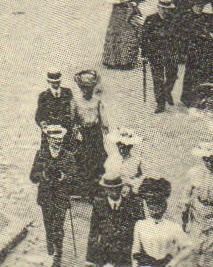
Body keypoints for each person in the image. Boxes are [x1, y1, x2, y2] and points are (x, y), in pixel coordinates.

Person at [34, 123, 80, 265]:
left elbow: (76, 178)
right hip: (46, 195)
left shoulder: (68, 156)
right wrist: (43, 174)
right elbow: (32, 176)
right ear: (48, 139)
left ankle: (57, 254)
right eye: (54, 139)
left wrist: (65, 177)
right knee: (49, 224)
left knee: (58, 226)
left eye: (60, 139)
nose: (57, 142)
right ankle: (51, 245)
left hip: (61, 195)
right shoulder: (41, 154)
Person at [90, 175, 146, 267]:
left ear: (121, 188)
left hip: (125, 256)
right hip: (105, 256)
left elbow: (141, 232)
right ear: (105, 190)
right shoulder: (99, 205)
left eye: (117, 188)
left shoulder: (131, 206)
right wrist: (90, 260)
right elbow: (93, 233)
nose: (114, 192)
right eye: (110, 189)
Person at [178, 2, 213, 109]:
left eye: (201, 5)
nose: (199, 7)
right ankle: (191, 99)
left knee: (211, 72)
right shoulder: (186, 18)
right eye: (197, 5)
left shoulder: (207, 16)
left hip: (208, 49)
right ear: (192, 6)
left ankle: (211, 97)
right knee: (193, 74)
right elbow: (182, 35)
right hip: (193, 50)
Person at [142, 0, 184, 114]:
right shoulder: (150, 20)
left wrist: (180, 52)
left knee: (172, 75)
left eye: (168, 9)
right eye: (163, 8)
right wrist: (144, 53)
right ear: (158, 8)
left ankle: (167, 92)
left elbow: (179, 37)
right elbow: (144, 38)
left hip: (170, 53)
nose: (166, 11)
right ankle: (160, 103)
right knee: (158, 79)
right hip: (155, 54)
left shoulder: (174, 20)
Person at [103, 0, 147, 69]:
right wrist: (120, 0)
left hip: (132, 10)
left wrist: (136, 0)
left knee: (132, 34)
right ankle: (114, 61)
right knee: (117, 35)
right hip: (119, 11)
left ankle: (129, 60)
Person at [133, 179, 188, 267]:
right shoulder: (140, 225)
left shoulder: (173, 226)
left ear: (164, 205)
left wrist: (173, 262)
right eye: (151, 204)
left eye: (158, 204)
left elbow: (188, 247)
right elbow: (135, 252)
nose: (155, 208)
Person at [72, 69, 109, 191]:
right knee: (83, 157)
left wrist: (105, 127)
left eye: (89, 88)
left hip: (95, 133)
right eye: (83, 88)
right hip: (83, 133)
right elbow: (72, 119)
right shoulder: (76, 101)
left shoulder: (97, 101)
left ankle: (97, 183)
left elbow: (103, 118)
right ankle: (84, 185)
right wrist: (76, 130)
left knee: (97, 156)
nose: (86, 91)